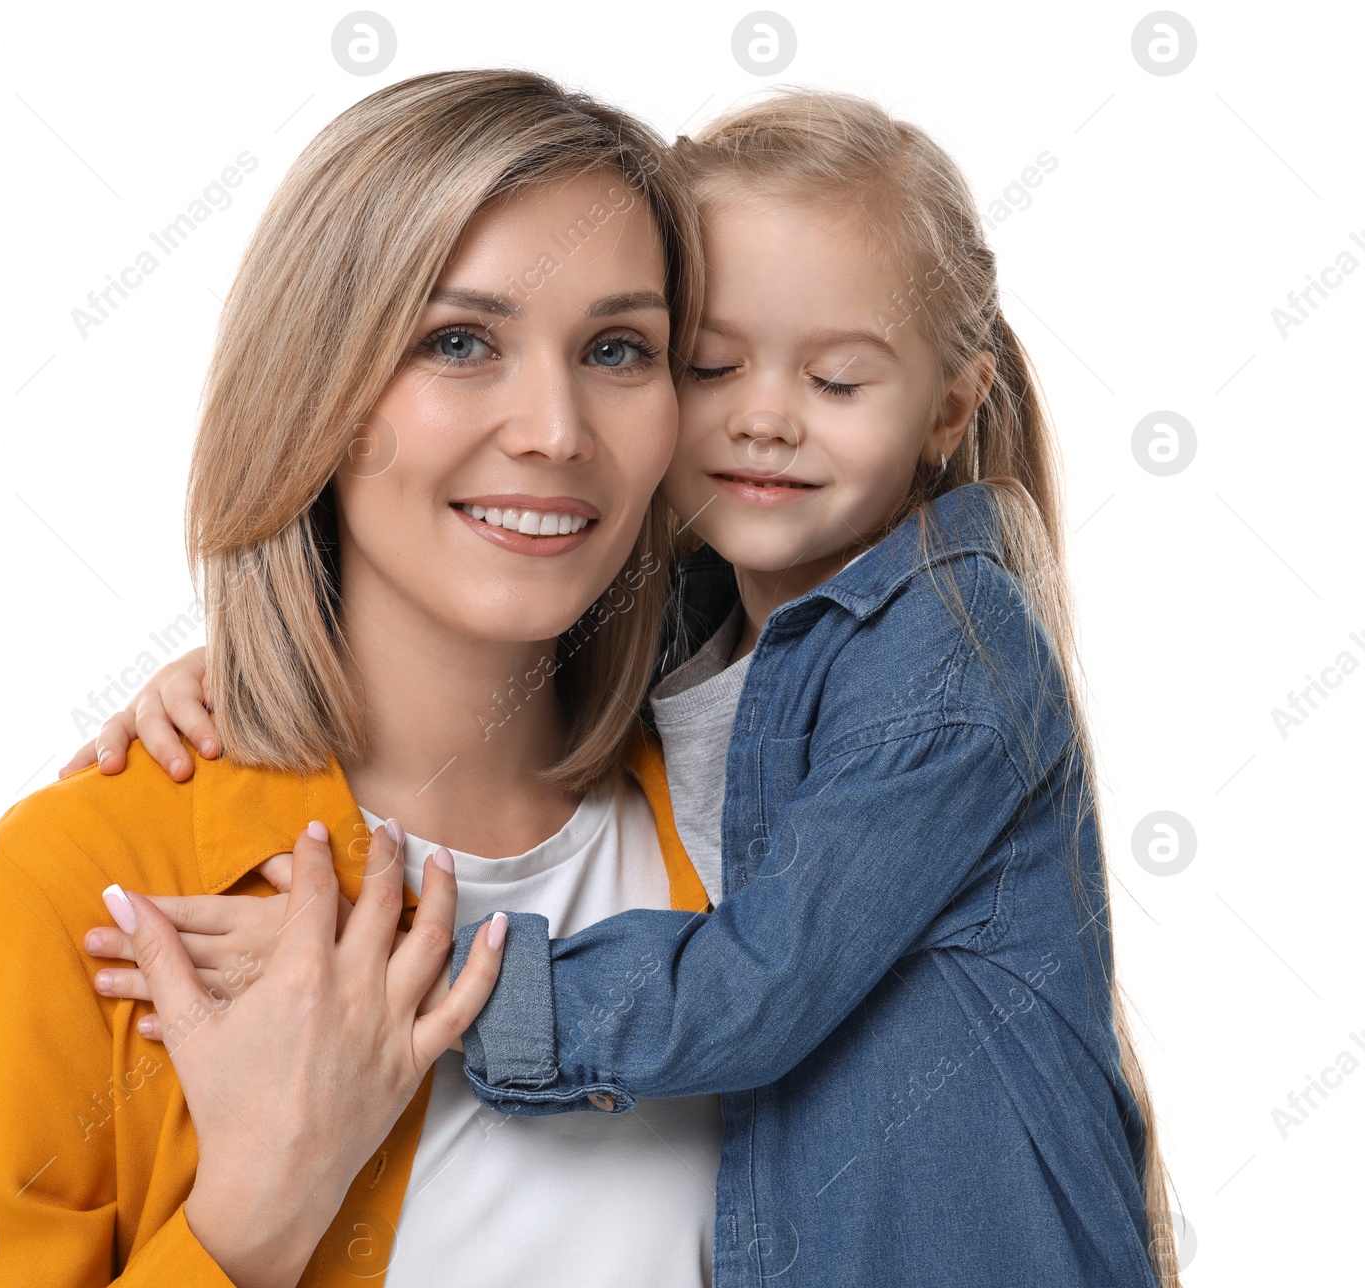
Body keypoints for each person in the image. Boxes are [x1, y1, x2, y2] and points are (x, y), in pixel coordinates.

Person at [68, 89, 1178, 1286]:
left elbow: (755, 987)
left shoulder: (948, 659)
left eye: (839, 383)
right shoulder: (681, 635)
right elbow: (485, 656)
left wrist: (417, 980)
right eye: (707, 365)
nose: (762, 420)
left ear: (950, 406)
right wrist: (250, 658)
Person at [0, 68, 719, 1287]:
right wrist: (254, 1215)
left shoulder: (764, 827)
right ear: (316, 391)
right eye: (457, 341)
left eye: (616, 348)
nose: (555, 429)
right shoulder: (75, 891)